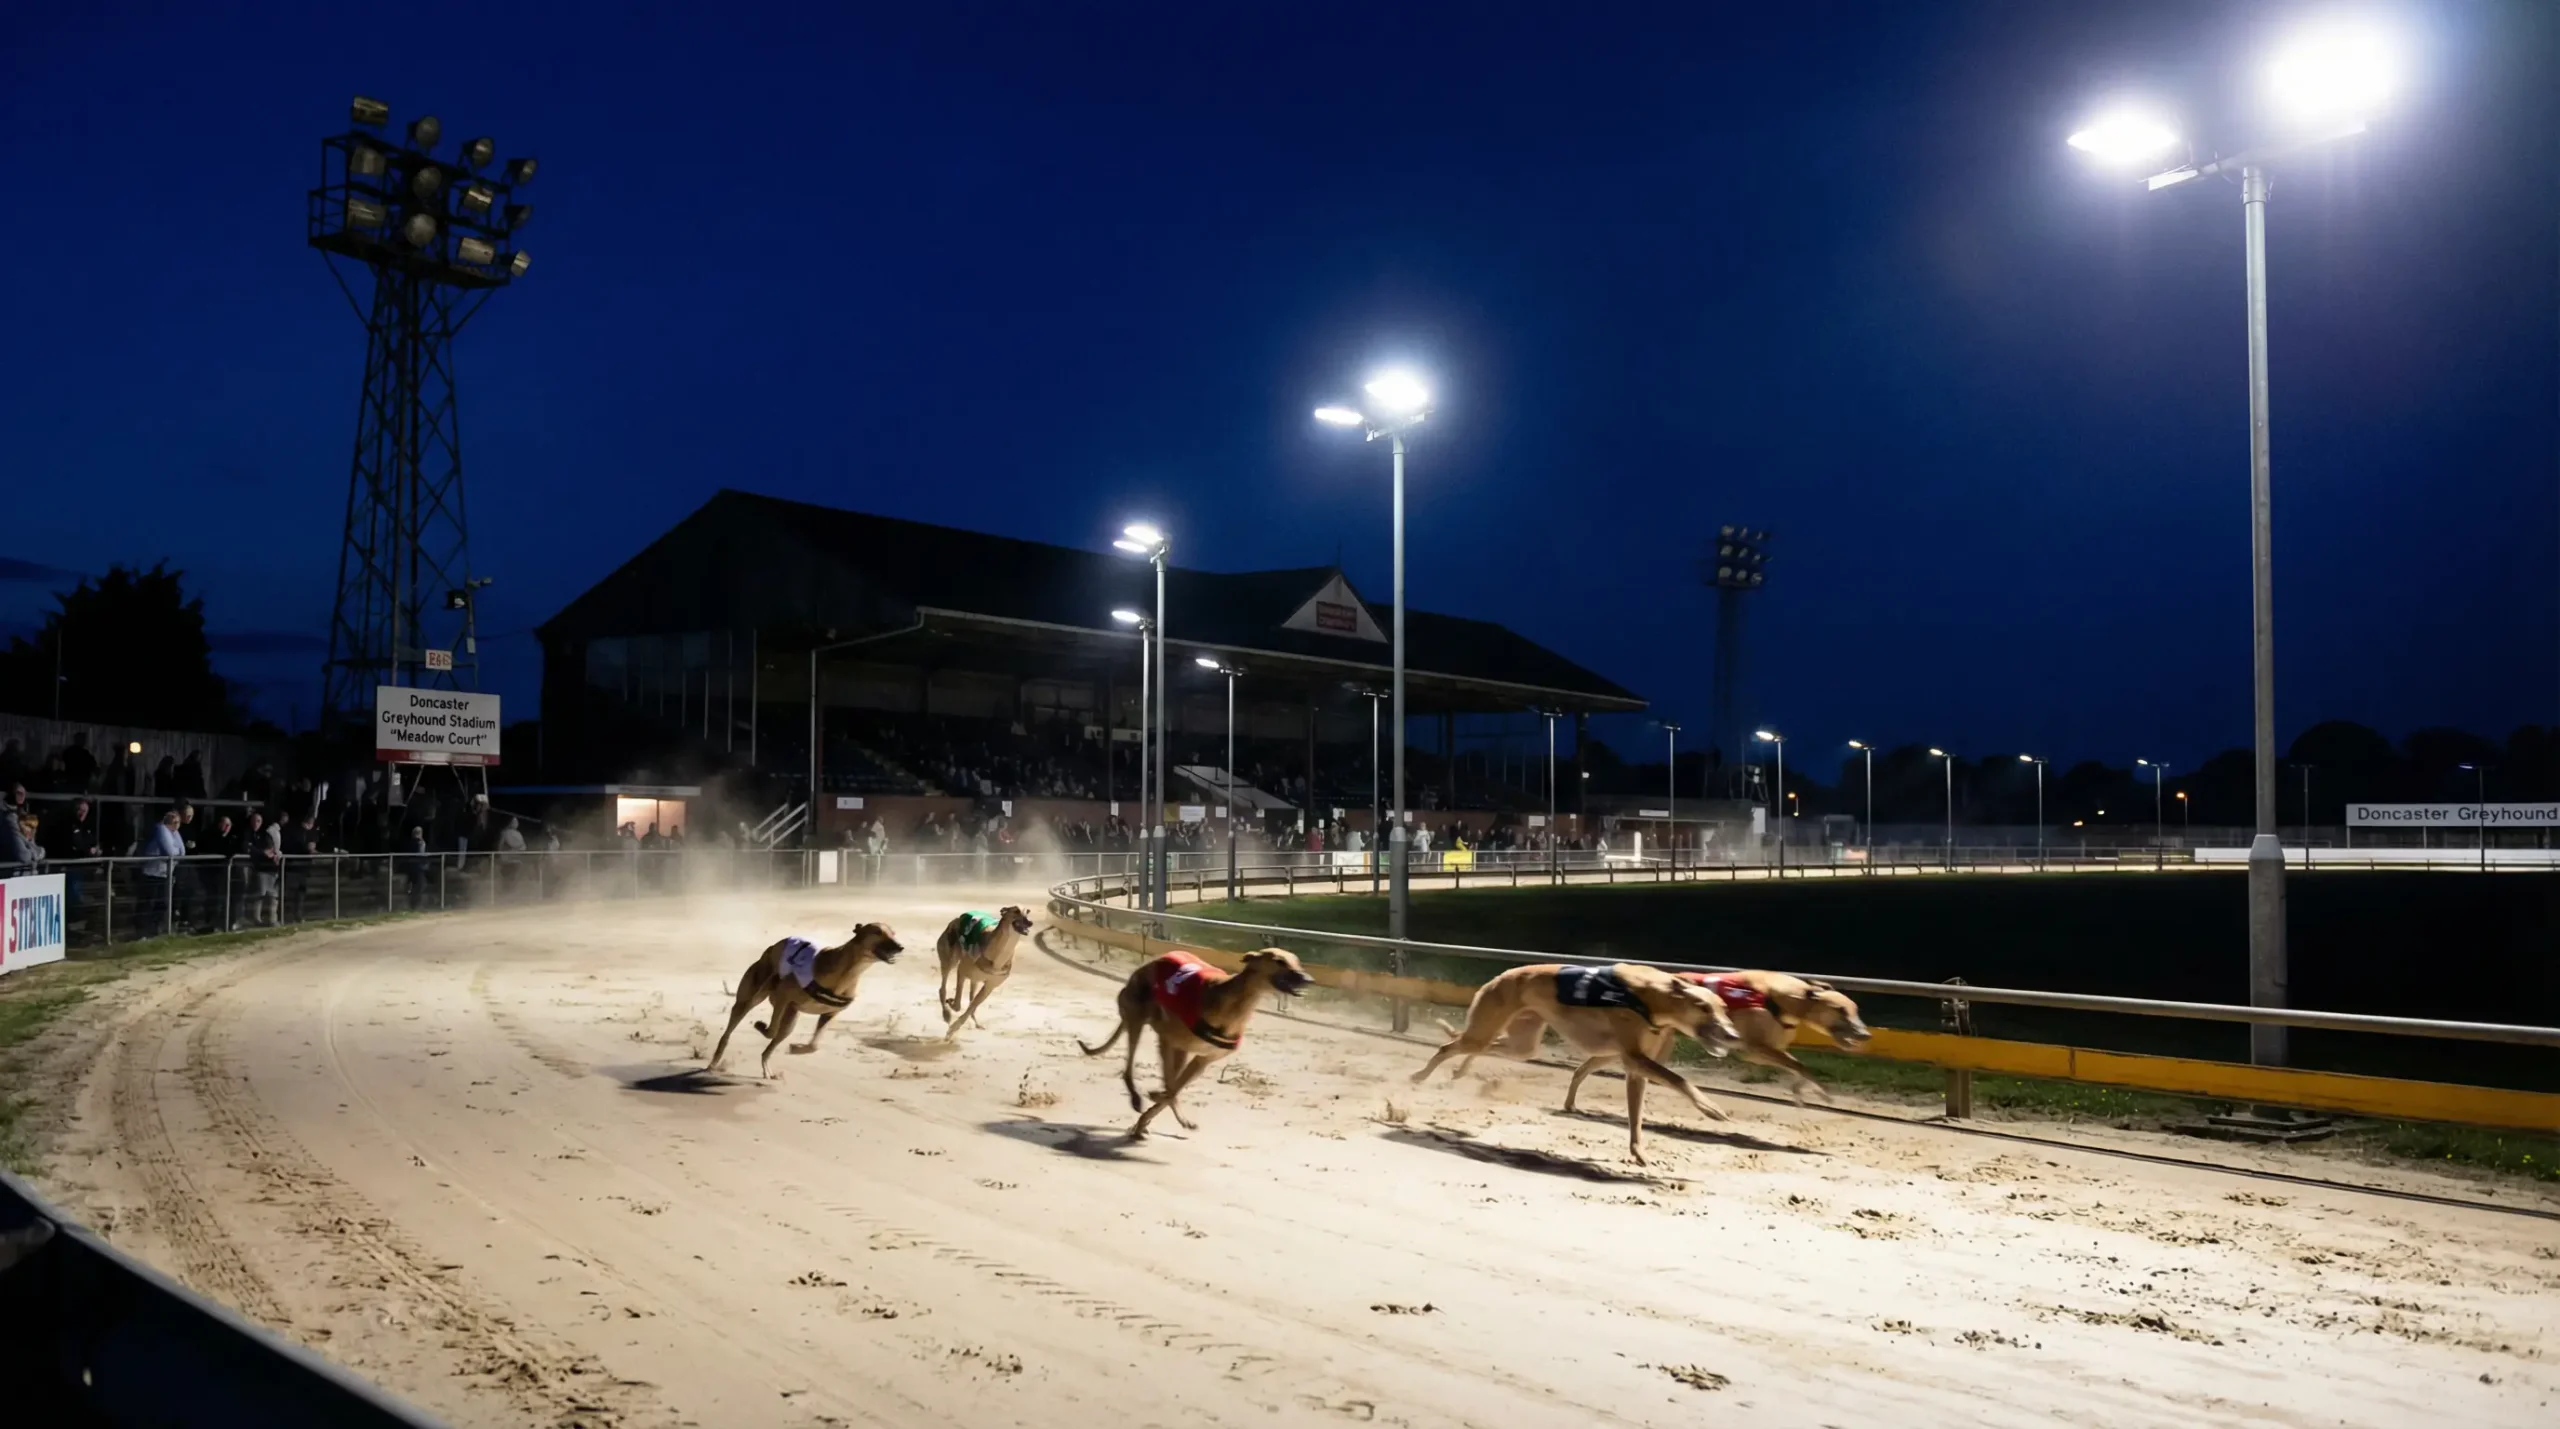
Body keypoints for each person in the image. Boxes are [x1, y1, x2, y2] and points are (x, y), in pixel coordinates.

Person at [137, 809, 186, 936]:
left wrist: (175, 849)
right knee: (147, 904)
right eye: (174, 821)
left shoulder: (174, 833)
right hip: (151, 873)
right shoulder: (161, 829)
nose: (176, 825)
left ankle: (155, 931)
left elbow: (182, 852)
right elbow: (170, 852)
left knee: (161, 904)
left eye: (178, 822)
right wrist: (175, 851)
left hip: (164, 874)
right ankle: (142, 932)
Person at [249, 810, 283, 927]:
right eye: (254, 821)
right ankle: (256, 919)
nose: (256, 823)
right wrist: (263, 853)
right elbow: (251, 849)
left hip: (272, 868)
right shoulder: (249, 834)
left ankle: (273, 919)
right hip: (261, 869)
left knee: (273, 896)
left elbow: (271, 849)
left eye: (258, 821)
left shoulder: (266, 834)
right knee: (260, 895)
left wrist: (273, 854)